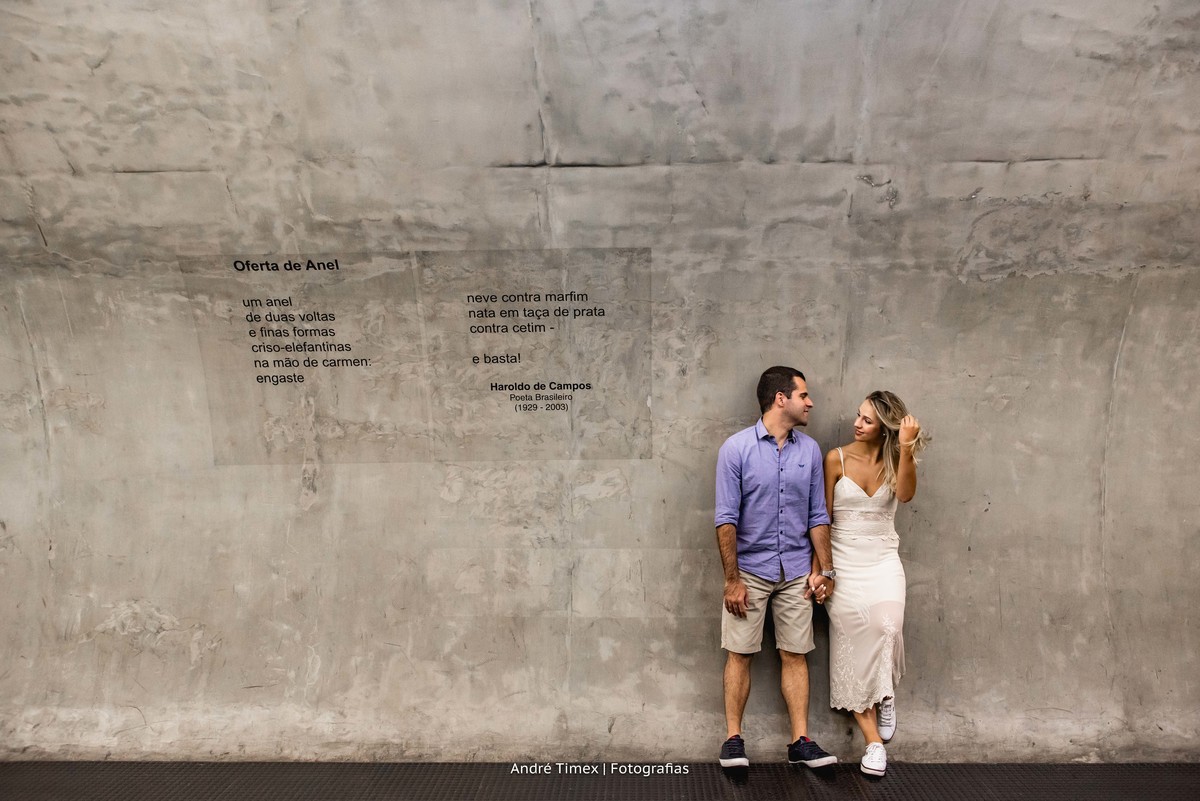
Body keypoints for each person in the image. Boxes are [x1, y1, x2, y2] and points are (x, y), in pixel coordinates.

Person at [714, 366, 838, 770]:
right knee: (740, 653)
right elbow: (726, 519)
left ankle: (800, 743)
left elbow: (818, 516)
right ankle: (733, 740)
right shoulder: (736, 449)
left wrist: (827, 571)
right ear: (780, 399)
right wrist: (732, 580)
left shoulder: (810, 451)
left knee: (796, 654)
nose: (810, 402)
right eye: (804, 394)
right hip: (749, 570)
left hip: (797, 573)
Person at [820, 390, 928, 777]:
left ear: (884, 426)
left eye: (866, 419)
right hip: (843, 565)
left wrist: (907, 447)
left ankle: (886, 695)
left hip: (883, 562)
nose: (857, 423)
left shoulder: (897, 457)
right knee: (850, 647)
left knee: (887, 627)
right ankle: (873, 744)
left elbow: (907, 494)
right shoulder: (835, 458)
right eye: (857, 416)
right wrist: (823, 570)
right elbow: (822, 520)